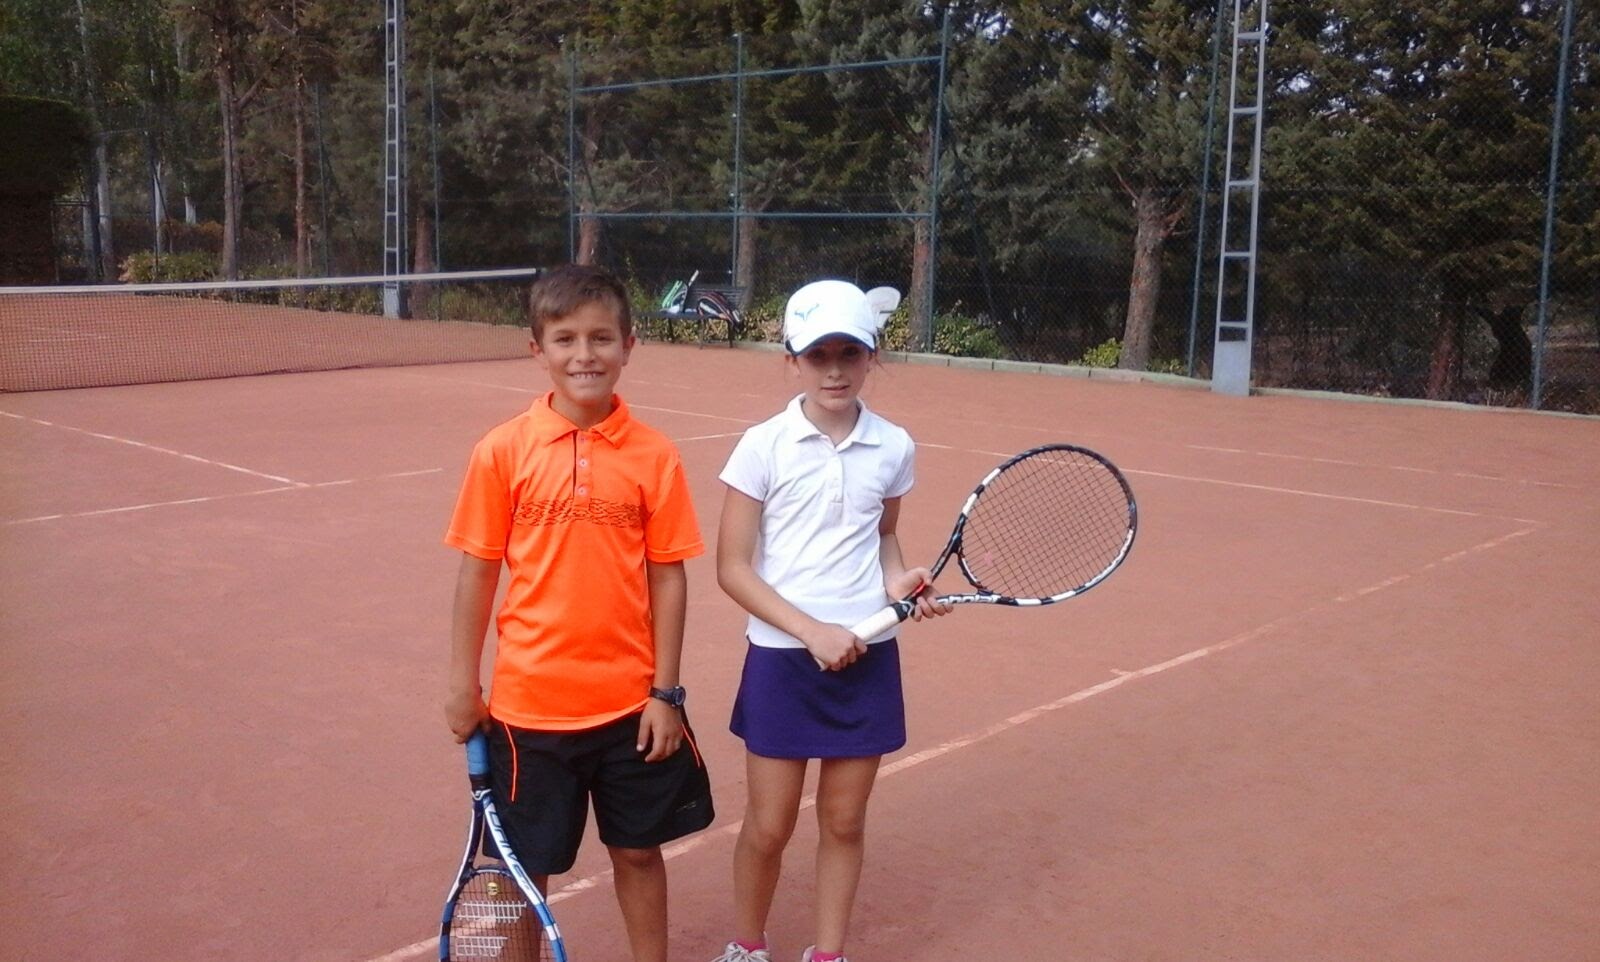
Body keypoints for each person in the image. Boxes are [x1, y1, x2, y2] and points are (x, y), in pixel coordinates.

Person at [443, 263, 714, 962]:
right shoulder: (502, 451)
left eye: (601, 338)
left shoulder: (655, 455)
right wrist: (463, 685)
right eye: (565, 339)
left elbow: (669, 578)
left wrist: (665, 693)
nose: (584, 355)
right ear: (538, 349)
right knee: (524, 871)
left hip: (631, 708)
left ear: (629, 345)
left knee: (640, 853)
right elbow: (478, 573)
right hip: (529, 711)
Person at [710, 280, 951, 962]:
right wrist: (810, 631)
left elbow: (883, 536)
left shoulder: (893, 446)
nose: (835, 369)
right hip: (783, 660)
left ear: (873, 356)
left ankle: (828, 953)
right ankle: (747, 946)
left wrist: (897, 581)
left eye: (850, 352)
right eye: (818, 354)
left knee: (844, 822)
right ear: (792, 360)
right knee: (769, 825)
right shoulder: (762, 446)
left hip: (867, 656)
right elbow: (732, 567)